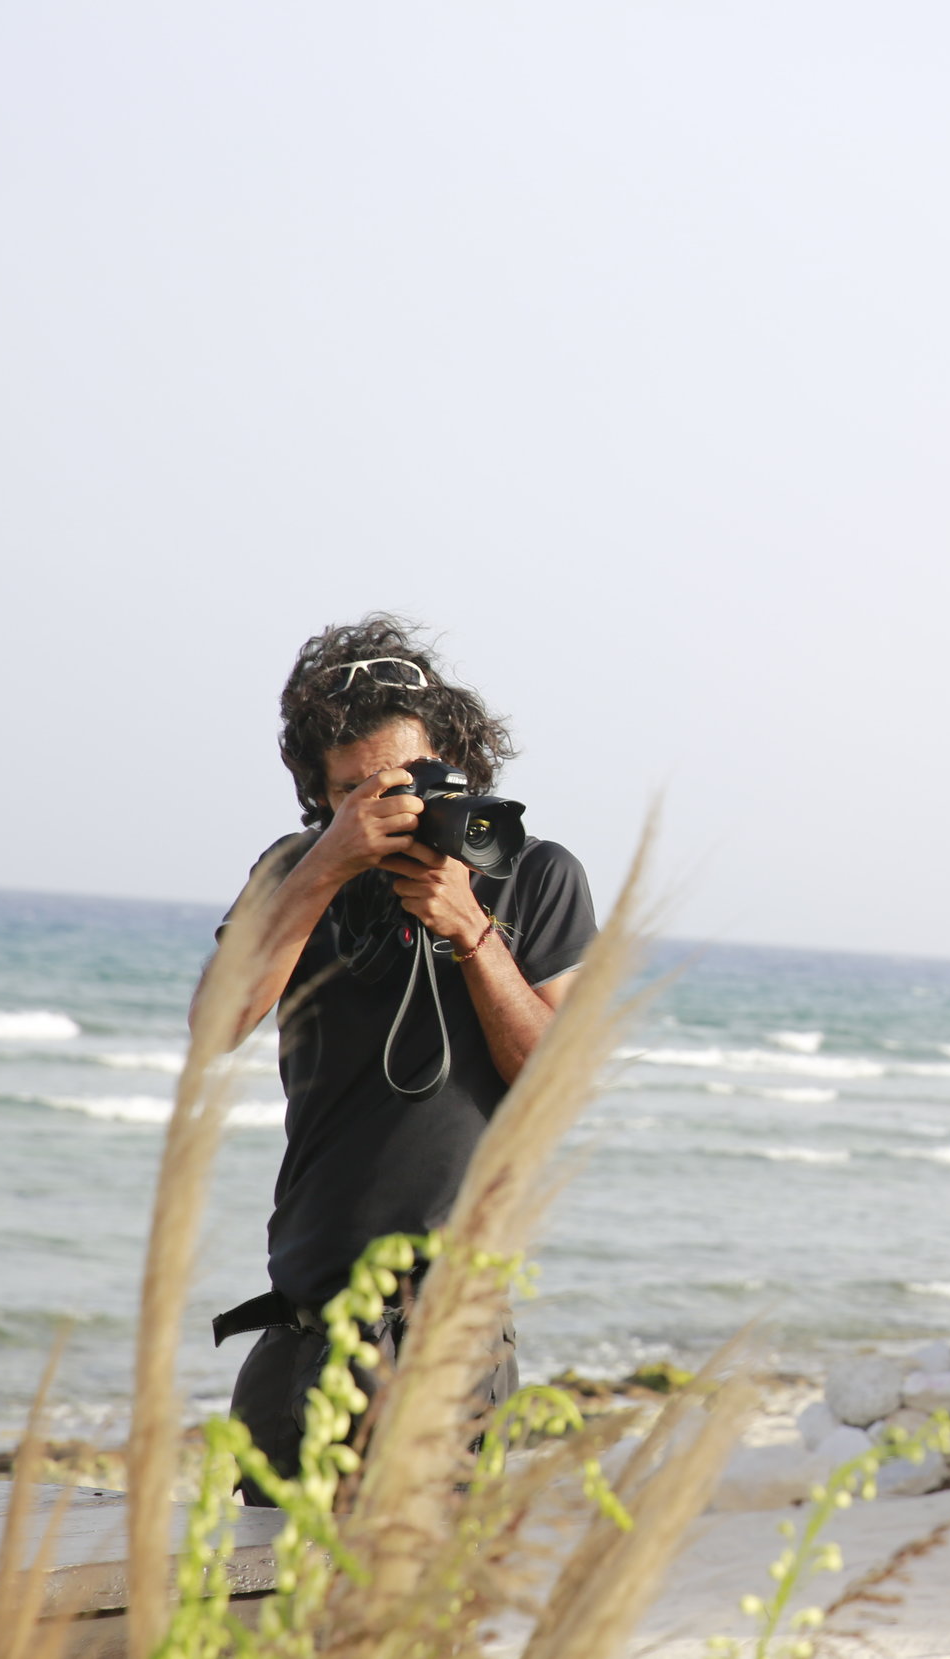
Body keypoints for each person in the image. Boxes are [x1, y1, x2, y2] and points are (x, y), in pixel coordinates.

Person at [202, 616, 597, 1502]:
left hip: (446, 1339)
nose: (388, 806)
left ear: (453, 758)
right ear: (319, 791)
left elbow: (557, 1082)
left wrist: (470, 928)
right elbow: (216, 1023)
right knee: (267, 1630)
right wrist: (324, 868)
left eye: (409, 780)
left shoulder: (533, 874)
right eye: (355, 791)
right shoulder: (295, 869)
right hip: (302, 1330)